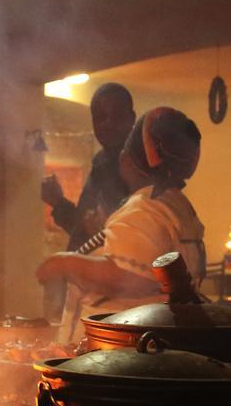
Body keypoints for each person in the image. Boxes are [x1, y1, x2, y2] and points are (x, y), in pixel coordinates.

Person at [36, 106, 205, 342]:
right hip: (143, 346)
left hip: (116, 353)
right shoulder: (175, 204)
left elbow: (128, 276)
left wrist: (63, 262)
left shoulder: (145, 207)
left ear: (128, 160)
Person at [41, 82, 134, 251]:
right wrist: (58, 202)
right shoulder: (102, 162)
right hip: (85, 274)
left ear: (131, 118)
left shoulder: (138, 169)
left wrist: (100, 233)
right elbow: (82, 232)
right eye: (100, 118)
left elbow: (138, 247)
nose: (107, 124)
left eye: (117, 116)